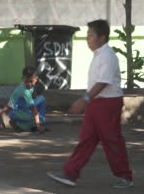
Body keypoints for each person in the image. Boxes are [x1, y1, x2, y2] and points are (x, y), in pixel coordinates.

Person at [46, 19, 133, 189]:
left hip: (107, 103)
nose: (88, 38)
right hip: (97, 103)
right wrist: (87, 101)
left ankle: (124, 176)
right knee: (86, 139)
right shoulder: (99, 55)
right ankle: (70, 173)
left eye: (91, 35)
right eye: (87, 35)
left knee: (112, 140)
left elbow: (103, 82)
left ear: (102, 37)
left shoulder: (107, 55)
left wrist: (84, 100)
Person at [7, 66, 45, 133]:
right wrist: (38, 125)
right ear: (22, 79)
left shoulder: (32, 86)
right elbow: (33, 109)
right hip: (14, 112)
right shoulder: (25, 90)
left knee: (41, 99)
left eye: (31, 81)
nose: (28, 84)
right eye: (26, 81)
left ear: (36, 79)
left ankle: (20, 126)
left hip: (19, 109)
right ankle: (20, 124)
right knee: (37, 118)